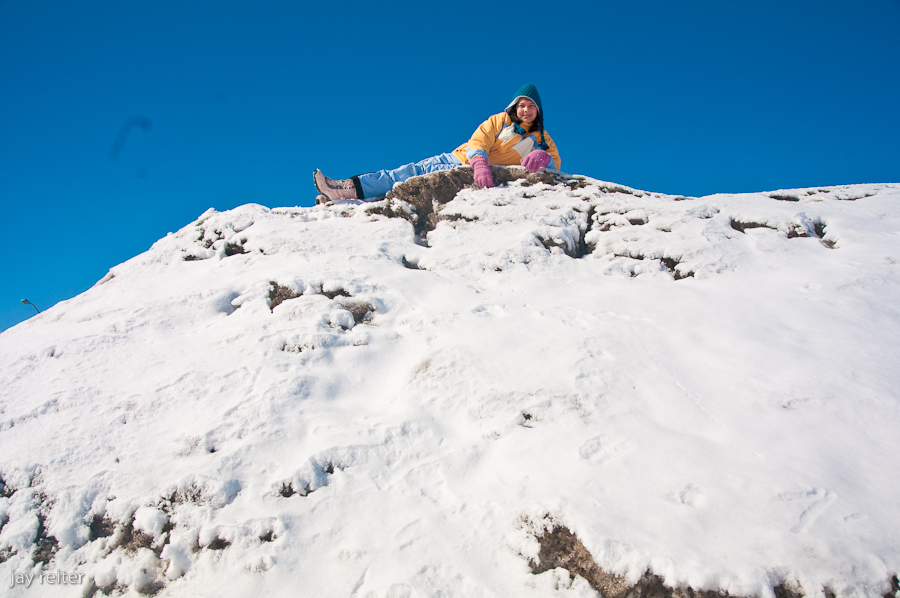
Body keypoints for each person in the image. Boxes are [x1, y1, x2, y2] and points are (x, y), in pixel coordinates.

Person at [313, 83, 562, 202]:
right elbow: (480, 139)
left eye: (531, 106)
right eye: (522, 105)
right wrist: (479, 163)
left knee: (406, 193)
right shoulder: (500, 120)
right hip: (457, 160)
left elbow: (556, 162)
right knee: (406, 175)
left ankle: (346, 200)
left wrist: (545, 157)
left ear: (538, 111)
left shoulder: (541, 138)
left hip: (475, 173)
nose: (526, 110)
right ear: (514, 107)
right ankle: (344, 188)